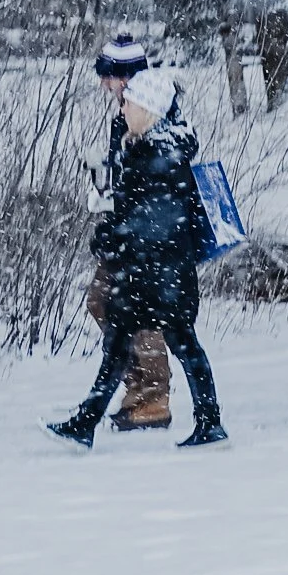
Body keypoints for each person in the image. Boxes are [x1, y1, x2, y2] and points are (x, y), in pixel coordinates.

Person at [50, 63, 225, 448]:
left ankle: (209, 423)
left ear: (148, 110)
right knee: (135, 344)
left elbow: (156, 223)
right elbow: (143, 216)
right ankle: (86, 423)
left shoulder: (157, 159)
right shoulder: (152, 152)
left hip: (159, 274)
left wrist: (112, 239)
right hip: (157, 272)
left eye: (128, 103)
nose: (122, 109)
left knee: (176, 345)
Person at [83, 30, 175, 430]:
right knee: (102, 302)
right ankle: (140, 390)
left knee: (142, 316)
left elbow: (153, 188)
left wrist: (121, 224)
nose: (105, 84)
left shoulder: (155, 118)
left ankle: (153, 399)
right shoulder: (124, 117)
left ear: (129, 76)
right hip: (128, 233)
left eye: (110, 75)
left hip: (149, 241)